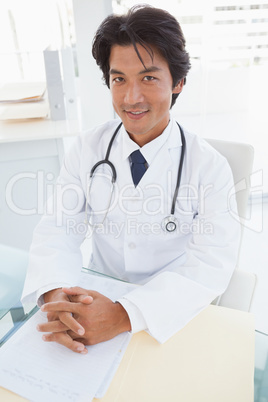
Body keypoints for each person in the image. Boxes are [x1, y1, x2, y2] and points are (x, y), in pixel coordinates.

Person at [22, 5, 240, 354]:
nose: (130, 98)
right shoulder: (88, 148)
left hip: (168, 311)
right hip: (94, 298)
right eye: (119, 79)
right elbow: (59, 228)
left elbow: (211, 265)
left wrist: (124, 315)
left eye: (149, 78)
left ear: (179, 82)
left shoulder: (209, 167)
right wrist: (57, 294)